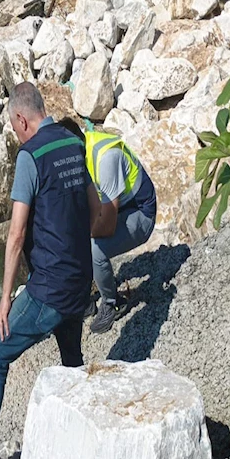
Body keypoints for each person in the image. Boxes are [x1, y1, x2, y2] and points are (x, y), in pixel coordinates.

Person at [0, 83, 101, 459]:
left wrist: (4, 303)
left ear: (21, 119)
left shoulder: (31, 156)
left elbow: (15, 236)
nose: (17, 136)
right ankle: (80, 436)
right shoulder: (73, 142)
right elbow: (95, 209)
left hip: (49, 288)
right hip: (80, 280)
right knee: (72, 359)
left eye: (15, 130)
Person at [59, 118, 157, 335]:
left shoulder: (105, 159)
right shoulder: (79, 155)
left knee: (94, 249)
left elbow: (109, 226)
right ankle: (83, 299)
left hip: (140, 212)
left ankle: (113, 302)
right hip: (118, 208)